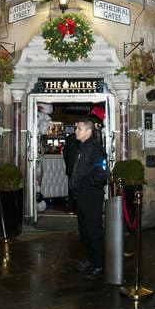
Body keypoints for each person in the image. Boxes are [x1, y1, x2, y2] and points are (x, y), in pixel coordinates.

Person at [69, 118, 109, 278]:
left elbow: (102, 175)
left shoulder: (96, 150)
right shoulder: (82, 148)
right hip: (81, 196)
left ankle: (100, 265)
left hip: (91, 196)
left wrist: (85, 186)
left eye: (79, 129)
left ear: (88, 132)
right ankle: (92, 260)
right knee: (85, 231)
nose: (75, 131)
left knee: (94, 231)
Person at [62, 129, 80, 214]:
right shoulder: (85, 137)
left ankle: (71, 208)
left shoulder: (69, 137)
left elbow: (65, 153)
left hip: (71, 167)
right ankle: (79, 208)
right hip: (80, 168)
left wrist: (68, 163)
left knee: (70, 188)